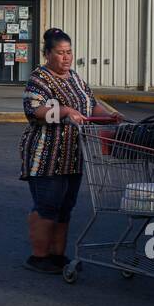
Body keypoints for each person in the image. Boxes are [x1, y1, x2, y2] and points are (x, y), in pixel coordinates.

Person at [19, 27, 116, 273]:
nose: (66, 57)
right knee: (47, 206)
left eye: (69, 52)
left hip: (73, 156)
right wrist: (63, 112)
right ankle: (39, 257)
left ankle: (57, 254)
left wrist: (111, 116)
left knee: (65, 207)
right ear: (48, 54)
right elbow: (35, 111)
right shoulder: (39, 79)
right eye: (60, 53)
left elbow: (90, 105)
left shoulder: (75, 78)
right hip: (46, 156)